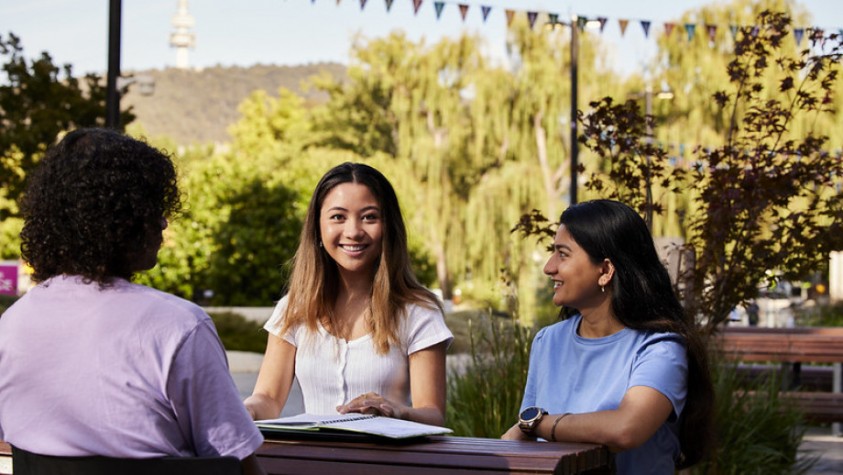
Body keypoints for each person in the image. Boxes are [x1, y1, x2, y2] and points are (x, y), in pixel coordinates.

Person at [0, 128, 265, 475]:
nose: (163, 221)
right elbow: (237, 461)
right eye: (153, 208)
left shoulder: (12, 325)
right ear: (122, 219)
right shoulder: (179, 327)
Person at [502, 199, 714, 474]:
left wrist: (536, 424)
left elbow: (626, 429)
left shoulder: (659, 349)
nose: (549, 267)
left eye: (562, 254)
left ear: (604, 271)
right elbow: (530, 448)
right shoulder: (548, 342)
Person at [244, 162, 452, 426]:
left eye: (369, 217)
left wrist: (395, 411)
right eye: (338, 217)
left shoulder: (418, 312)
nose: (353, 232)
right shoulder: (293, 309)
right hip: (311, 464)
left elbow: (433, 415)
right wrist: (246, 410)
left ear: (388, 227)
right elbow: (268, 398)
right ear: (317, 227)